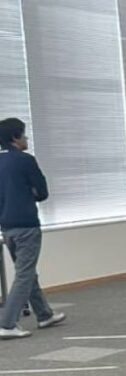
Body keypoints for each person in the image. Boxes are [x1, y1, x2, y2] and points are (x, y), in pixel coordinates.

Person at [0, 118, 65, 339]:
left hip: (7, 227)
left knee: (27, 271)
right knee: (24, 274)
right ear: (15, 137)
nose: (26, 138)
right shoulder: (25, 160)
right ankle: (7, 323)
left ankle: (44, 314)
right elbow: (42, 192)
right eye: (24, 134)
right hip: (26, 225)